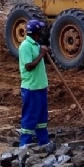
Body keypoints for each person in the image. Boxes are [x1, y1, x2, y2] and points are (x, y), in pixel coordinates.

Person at [18, 19, 54, 153]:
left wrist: (42, 52)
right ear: (36, 32)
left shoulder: (36, 44)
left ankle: (43, 142)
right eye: (40, 31)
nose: (41, 33)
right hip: (31, 88)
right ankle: (24, 146)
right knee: (30, 116)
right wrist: (42, 54)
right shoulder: (25, 46)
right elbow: (29, 66)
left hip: (40, 87)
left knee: (41, 117)